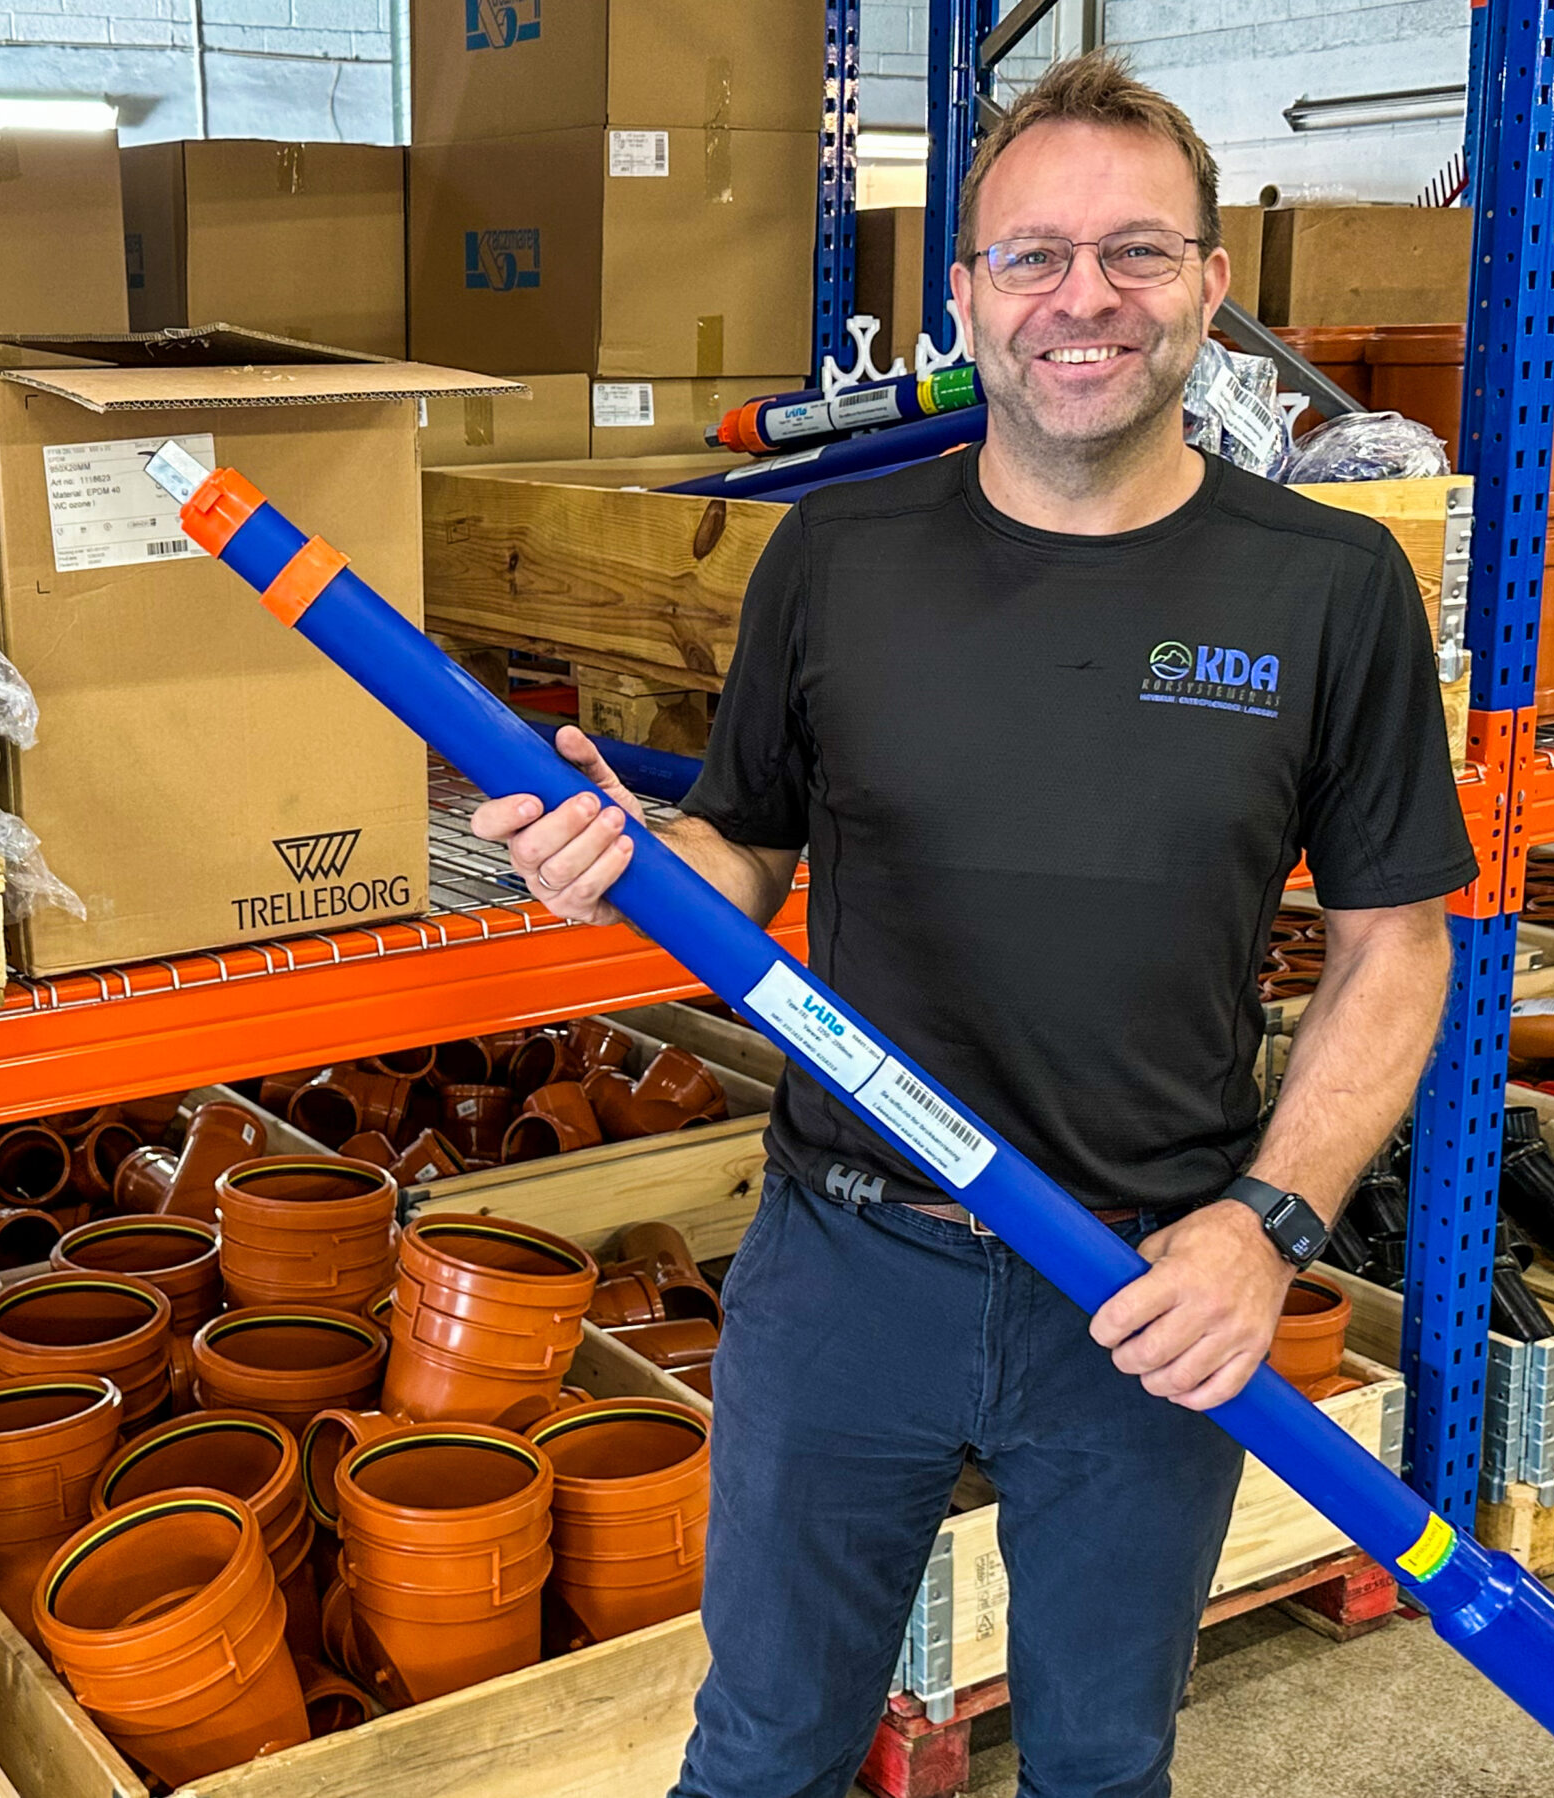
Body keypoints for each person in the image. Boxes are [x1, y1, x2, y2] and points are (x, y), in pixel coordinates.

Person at [470, 51, 1477, 1798]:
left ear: (1210, 287)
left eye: (1136, 251)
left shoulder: (1330, 587)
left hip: (1147, 1285)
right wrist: (624, 859)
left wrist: (1268, 1227)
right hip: (850, 1261)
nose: (1084, 298)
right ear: (965, 294)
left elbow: (1399, 942)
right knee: (763, 1750)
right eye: (1033, 256)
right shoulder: (835, 559)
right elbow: (741, 855)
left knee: (1102, 1760)